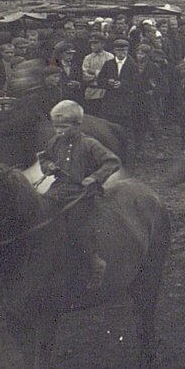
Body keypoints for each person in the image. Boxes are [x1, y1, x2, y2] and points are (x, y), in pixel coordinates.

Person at [38, 100, 121, 290]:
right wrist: (48, 167)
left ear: (77, 125)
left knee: (77, 227)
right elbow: (44, 157)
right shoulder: (54, 142)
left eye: (64, 127)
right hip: (59, 190)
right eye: (56, 127)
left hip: (82, 194)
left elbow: (112, 162)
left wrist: (94, 178)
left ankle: (95, 262)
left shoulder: (89, 144)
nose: (59, 131)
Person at [96, 39, 138, 131]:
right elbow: (100, 81)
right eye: (119, 50)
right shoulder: (108, 64)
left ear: (127, 51)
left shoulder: (133, 65)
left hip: (126, 100)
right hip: (110, 100)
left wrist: (122, 84)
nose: (121, 53)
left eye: (124, 50)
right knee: (110, 125)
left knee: (124, 126)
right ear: (114, 51)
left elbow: (137, 82)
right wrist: (108, 82)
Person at [81, 33, 114, 117]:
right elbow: (85, 76)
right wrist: (101, 76)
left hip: (105, 93)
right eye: (91, 43)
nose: (93, 45)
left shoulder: (110, 57)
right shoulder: (87, 58)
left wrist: (95, 72)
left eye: (96, 43)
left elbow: (111, 74)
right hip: (91, 93)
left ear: (103, 44)